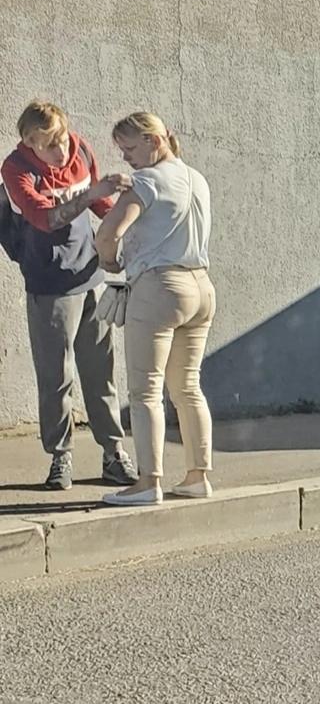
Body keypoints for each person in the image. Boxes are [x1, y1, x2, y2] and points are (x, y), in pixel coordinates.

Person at [1, 101, 137, 490]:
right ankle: (61, 457)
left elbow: (99, 203)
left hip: (90, 275)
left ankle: (113, 453)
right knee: (56, 376)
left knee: (101, 372)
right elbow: (45, 219)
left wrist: (120, 224)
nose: (63, 151)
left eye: (63, 139)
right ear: (29, 142)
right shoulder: (16, 169)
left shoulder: (80, 149)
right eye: (51, 146)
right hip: (49, 283)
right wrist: (92, 192)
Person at [95, 112, 214, 506]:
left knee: (145, 389)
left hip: (160, 287)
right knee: (188, 386)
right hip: (201, 286)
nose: (126, 157)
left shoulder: (146, 182)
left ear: (153, 140)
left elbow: (108, 232)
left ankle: (148, 482)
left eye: (130, 147)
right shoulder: (197, 178)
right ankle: (198, 476)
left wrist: (110, 261)